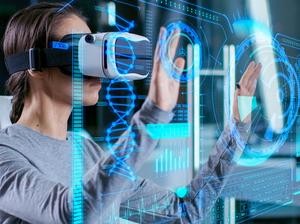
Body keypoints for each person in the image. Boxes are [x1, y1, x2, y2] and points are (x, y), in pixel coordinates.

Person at [0, 2, 262, 223]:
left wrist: (236, 130)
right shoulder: (6, 154)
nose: (99, 69)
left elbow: (183, 213)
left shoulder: (88, 152)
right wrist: (152, 116)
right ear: (35, 65)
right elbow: (68, 213)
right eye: (82, 51)